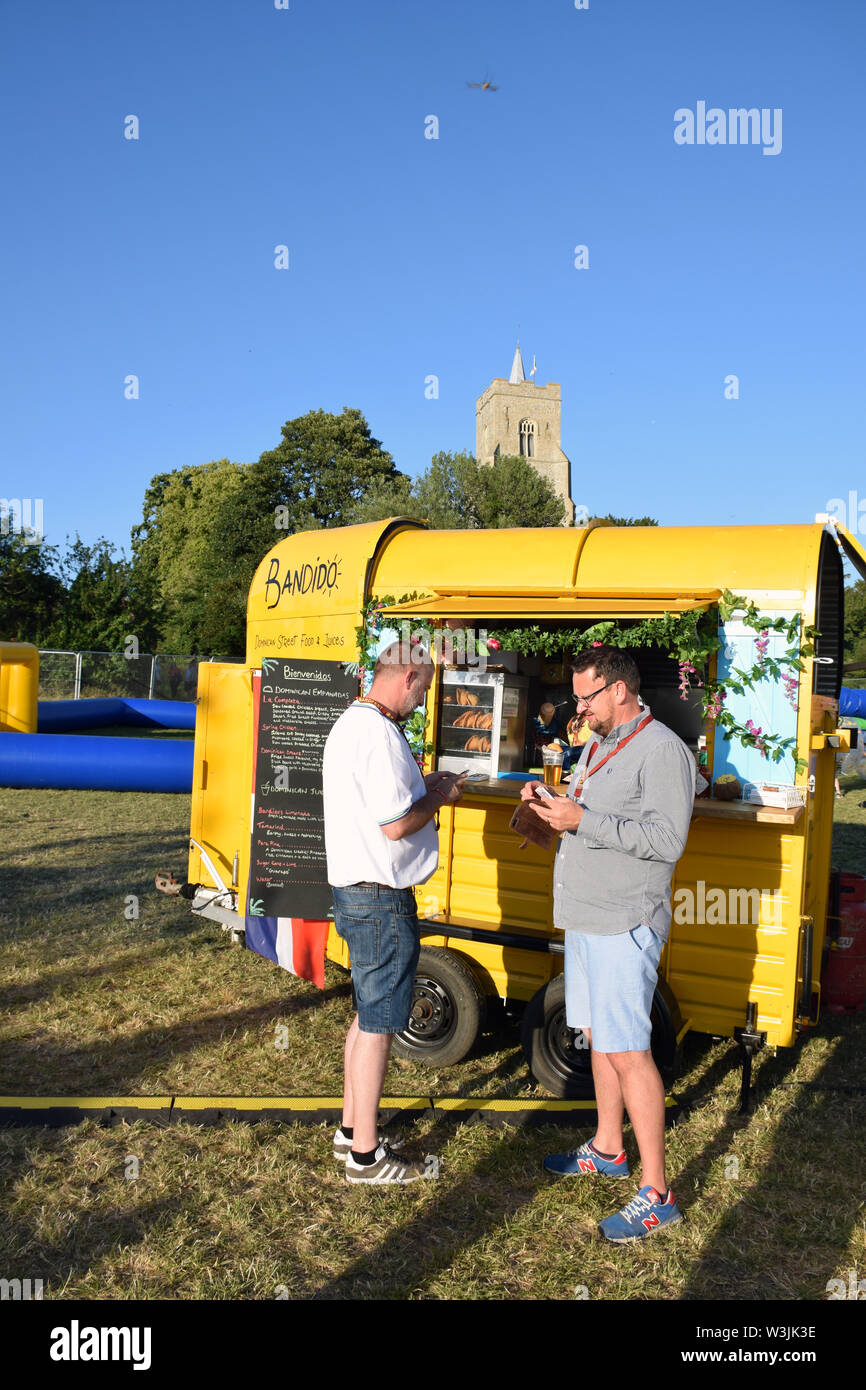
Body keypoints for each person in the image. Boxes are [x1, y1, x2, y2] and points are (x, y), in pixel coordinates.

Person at [521, 644, 694, 1241]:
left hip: (625, 919)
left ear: (619, 690)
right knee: (597, 1037)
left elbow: (668, 840)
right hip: (586, 915)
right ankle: (608, 1146)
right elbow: (581, 811)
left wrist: (581, 820)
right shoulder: (596, 744)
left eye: (586, 696)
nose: (578, 707)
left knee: (629, 1050)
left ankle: (657, 1192)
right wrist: (546, 810)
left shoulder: (662, 750)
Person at [322, 638, 465, 1184]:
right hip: (381, 896)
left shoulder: (353, 722)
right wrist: (441, 797)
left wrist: (423, 786)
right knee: (381, 1023)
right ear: (407, 678)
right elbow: (395, 824)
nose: (423, 701)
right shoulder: (379, 734)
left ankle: (351, 1127)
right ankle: (365, 1156)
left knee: (366, 1013)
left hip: (356, 890)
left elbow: (380, 803)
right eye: (424, 689)